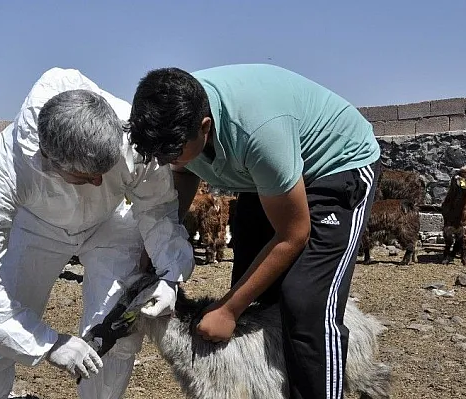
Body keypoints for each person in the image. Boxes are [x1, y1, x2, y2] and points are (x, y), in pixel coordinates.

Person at [126, 64, 381, 399]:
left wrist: (228, 310)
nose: (163, 161)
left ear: (205, 128)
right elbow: (184, 173)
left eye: (170, 152)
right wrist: (161, 239)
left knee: (305, 301)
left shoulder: (259, 133)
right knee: (253, 286)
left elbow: (294, 234)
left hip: (334, 167)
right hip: (264, 173)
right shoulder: (174, 115)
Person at [0, 67, 194, 399]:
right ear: (49, 159)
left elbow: (156, 208)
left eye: (103, 173)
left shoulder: (132, 134)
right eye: (85, 176)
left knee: (115, 336)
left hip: (111, 223)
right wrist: (48, 344)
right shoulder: (9, 167)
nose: (97, 183)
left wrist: (170, 272)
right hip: (36, 227)